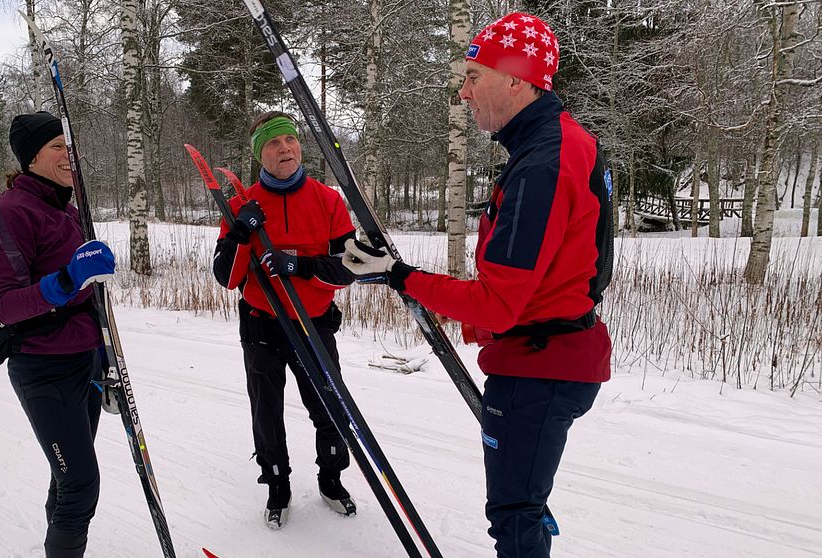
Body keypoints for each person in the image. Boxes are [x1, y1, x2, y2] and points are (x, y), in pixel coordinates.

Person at [342, 13, 614, 558]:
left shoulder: (544, 163)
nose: (464, 93)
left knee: (514, 517)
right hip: (550, 355)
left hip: (539, 368)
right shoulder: (560, 143)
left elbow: (497, 304)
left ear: (516, 79)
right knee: (523, 507)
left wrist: (400, 276)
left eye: (473, 76)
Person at [0, 111, 116, 558]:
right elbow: (7, 305)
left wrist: (107, 357)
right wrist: (69, 277)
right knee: (80, 483)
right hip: (43, 367)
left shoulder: (67, 209)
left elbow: (88, 297)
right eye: (58, 147)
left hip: (86, 360)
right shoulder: (7, 215)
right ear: (31, 157)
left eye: (69, 147)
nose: (68, 156)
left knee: (68, 475)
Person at [213, 111, 358, 529]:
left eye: (290, 140)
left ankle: (331, 479)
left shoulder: (328, 199)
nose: (285, 149)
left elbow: (348, 268)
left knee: (329, 406)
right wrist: (241, 232)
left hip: (314, 324)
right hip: (262, 325)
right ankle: (278, 486)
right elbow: (227, 277)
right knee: (267, 412)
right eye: (274, 144)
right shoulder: (243, 204)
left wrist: (300, 264)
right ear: (261, 153)